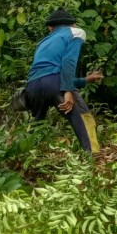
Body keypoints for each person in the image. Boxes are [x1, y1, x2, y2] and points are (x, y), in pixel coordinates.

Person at [26, 9, 104, 153]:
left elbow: (48, 76)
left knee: (36, 125)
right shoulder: (75, 32)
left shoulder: (43, 42)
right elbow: (68, 63)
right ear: (73, 24)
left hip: (32, 85)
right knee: (83, 118)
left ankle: (25, 156)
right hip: (55, 83)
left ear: (51, 27)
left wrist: (86, 79)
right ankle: (94, 157)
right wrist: (68, 90)